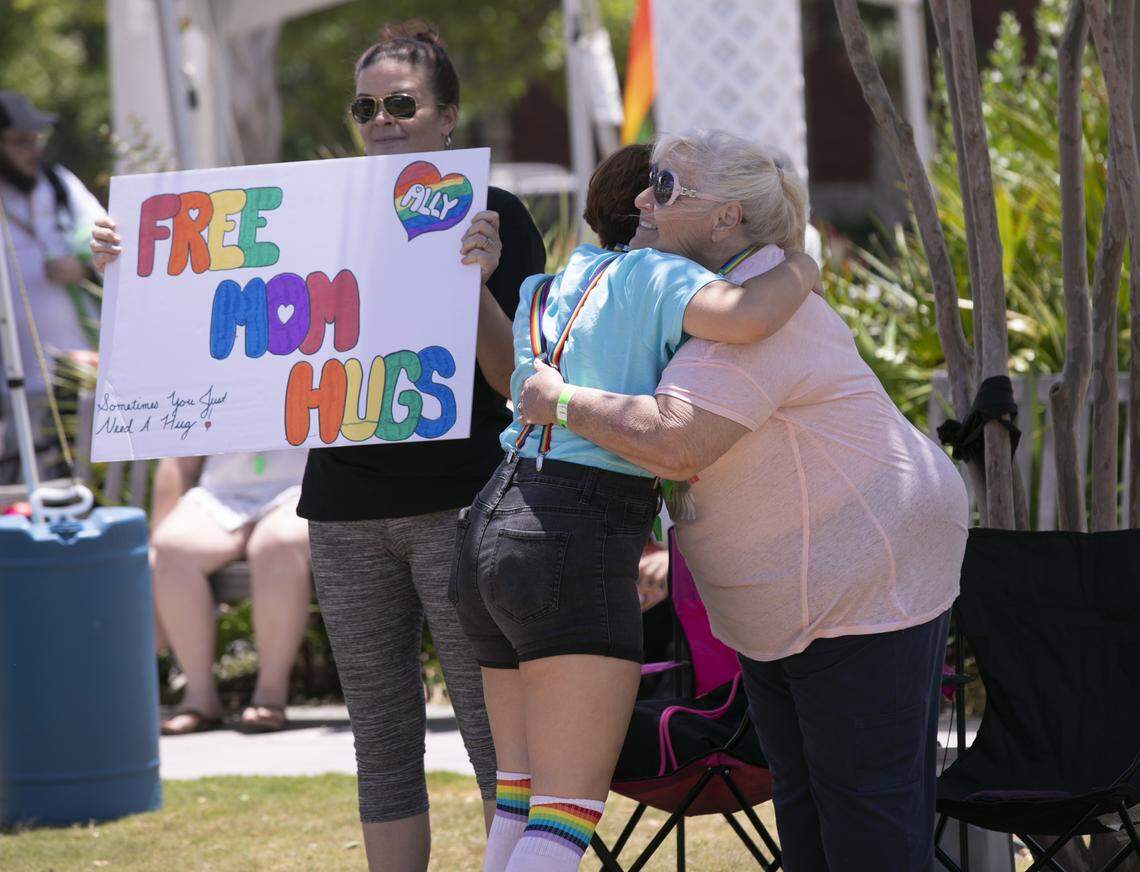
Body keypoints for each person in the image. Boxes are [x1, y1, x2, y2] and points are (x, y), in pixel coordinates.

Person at [91, 20, 546, 871]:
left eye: (402, 103)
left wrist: (475, 282)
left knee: (498, 742)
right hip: (342, 513)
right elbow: (203, 299)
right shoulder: (318, 212)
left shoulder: (499, 216)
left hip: (461, 508)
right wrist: (129, 261)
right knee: (380, 744)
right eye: (366, 105)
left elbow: (514, 378)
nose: (382, 119)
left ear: (447, 116)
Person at [516, 130, 969, 871]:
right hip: (792, 600)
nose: (640, 198)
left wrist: (559, 402)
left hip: (860, 582)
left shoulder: (755, 317)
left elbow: (675, 440)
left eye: (664, 185)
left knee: (865, 819)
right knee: (809, 808)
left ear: (726, 216)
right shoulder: (728, 296)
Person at [452, 136, 820, 871]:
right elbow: (746, 315)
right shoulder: (652, 275)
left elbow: (505, 378)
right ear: (646, 216)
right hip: (572, 536)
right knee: (566, 812)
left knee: (517, 798)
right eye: (664, 192)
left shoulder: (545, 288)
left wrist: (475, 286)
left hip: (487, 525)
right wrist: (803, 262)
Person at [148, 451, 311, 735]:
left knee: (276, 544)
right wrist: (153, 548)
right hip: (220, 494)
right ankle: (199, 697)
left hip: (302, 487)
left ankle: (270, 695)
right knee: (171, 546)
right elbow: (177, 459)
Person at [0, 91, 105, 483]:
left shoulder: (59, 184)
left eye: (35, 140)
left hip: (79, 378)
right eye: (20, 142)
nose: (32, 151)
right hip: (12, 388)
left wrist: (82, 266)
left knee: (85, 490)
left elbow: (114, 246)